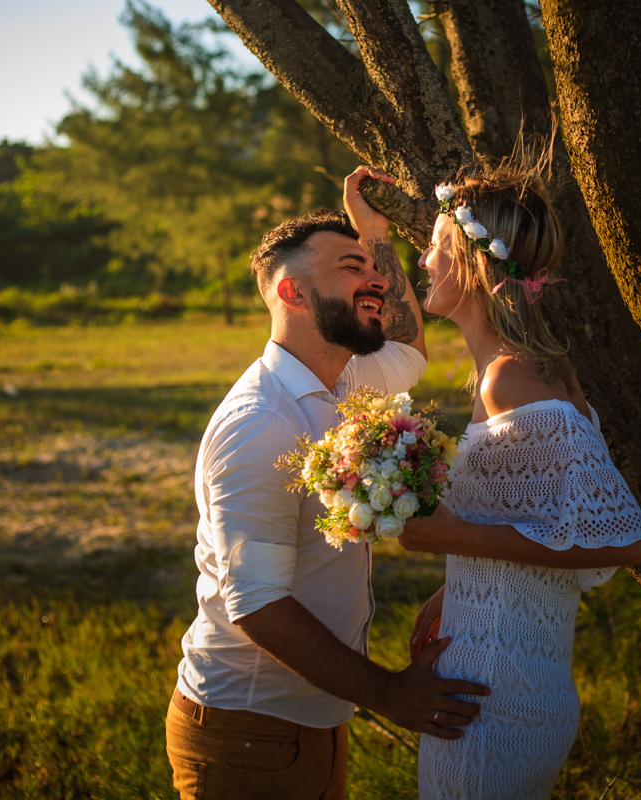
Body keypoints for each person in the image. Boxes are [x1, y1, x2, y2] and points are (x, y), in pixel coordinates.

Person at [165, 166, 490, 800]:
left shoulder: (347, 379)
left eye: (370, 266)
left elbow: (411, 347)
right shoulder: (258, 423)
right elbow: (256, 603)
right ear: (292, 294)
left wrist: (374, 236)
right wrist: (389, 693)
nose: (373, 277)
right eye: (350, 267)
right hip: (249, 731)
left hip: (312, 721)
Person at [397, 150, 641, 799]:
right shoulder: (501, 374)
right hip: (489, 682)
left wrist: (447, 539)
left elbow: (622, 540)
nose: (423, 262)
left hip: (493, 706)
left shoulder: (515, 377)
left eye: (433, 247)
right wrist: (460, 588)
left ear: (473, 260)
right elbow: (535, 522)